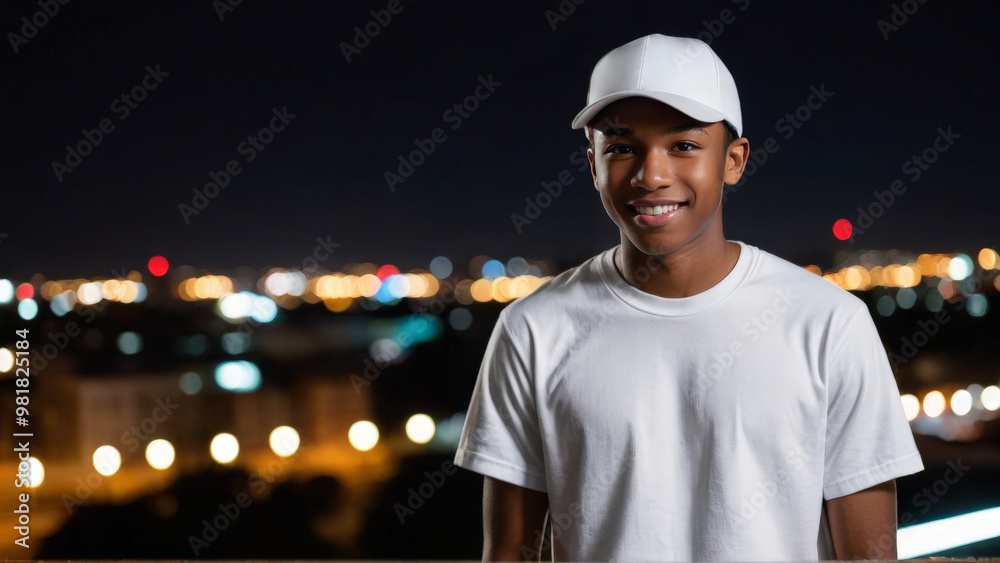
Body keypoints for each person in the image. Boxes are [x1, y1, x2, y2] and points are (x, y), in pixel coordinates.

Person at [453, 33, 923, 562]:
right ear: (593, 166)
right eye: (622, 147)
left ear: (733, 160)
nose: (651, 175)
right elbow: (508, 555)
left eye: (683, 145)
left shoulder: (830, 325)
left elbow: (870, 557)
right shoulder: (531, 330)